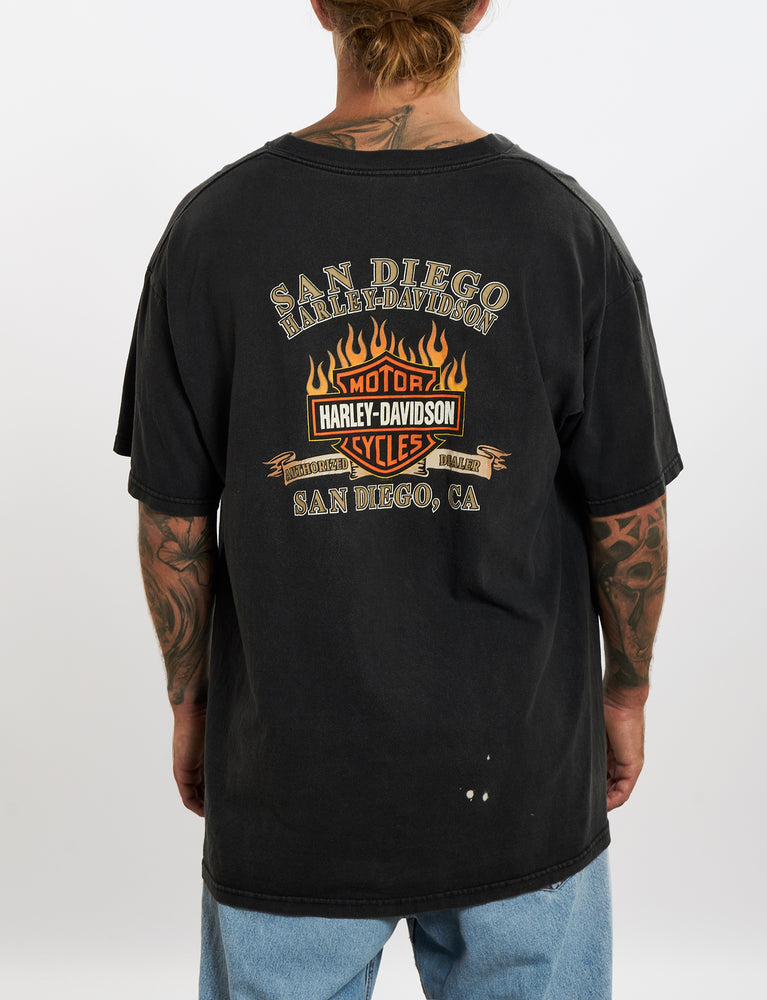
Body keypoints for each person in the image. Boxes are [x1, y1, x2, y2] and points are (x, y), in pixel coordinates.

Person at [114, 1, 682, 997]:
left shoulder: (212, 232)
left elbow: (174, 526)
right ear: (478, 6)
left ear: (320, 5)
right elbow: (627, 518)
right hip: (519, 784)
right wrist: (625, 695)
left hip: (288, 792)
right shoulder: (561, 229)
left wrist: (191, 705)